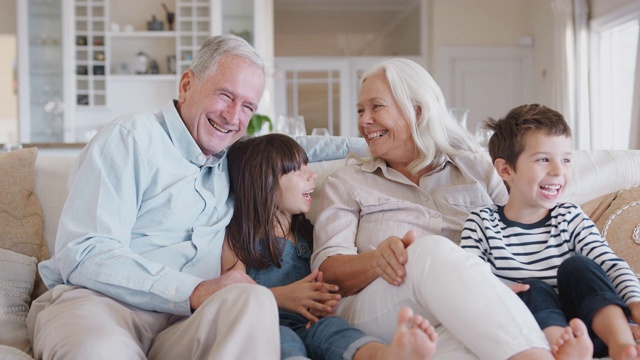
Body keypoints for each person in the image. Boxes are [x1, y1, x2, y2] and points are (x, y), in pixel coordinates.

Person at [310, 57, 593, 360]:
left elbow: (523, 226)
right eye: (360, 110)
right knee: (430, 251)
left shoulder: (477, 169)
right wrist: (377, 260)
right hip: (378, 304)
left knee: (462, 348)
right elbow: (327, 273)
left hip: (464, 310)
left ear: (417, 110)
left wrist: (499, 288)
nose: (363, 121)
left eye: (376, 107)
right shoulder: (346, 182)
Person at [27, 34, 281, 359]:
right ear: (187, 85)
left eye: (248, 106)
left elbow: (299, 148)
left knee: (255, 300)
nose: (233, 117)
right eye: (225, 96)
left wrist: (367, 145)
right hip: (101, 306)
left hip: (185, 323)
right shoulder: (131, 138)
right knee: (98, 350)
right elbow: (85, 251)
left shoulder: (237, 161)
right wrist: (193, 290)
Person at [222, 133, 438, 360]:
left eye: (307, 166)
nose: (312, 174)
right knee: (285, 341)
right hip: (265, 324)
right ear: (263, 181)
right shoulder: (239, 237)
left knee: (337, 330)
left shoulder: (309, 232)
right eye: (298, 170)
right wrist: (280, 297)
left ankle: (386, 355)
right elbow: (230, 296)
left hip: (312, 323)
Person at [460, 103, 640, 360]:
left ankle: (622, 344)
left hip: (591, 326)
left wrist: (634, 302)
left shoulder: (569, 216)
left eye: (565, 160)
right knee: (530, 287)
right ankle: (563, 349)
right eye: (544, 159)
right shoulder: (481, 222)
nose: (558, 171)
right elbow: (468, 278)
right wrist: (496, 291)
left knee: (578, 266)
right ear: (506, 169)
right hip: (534, 334)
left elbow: (609, 263)